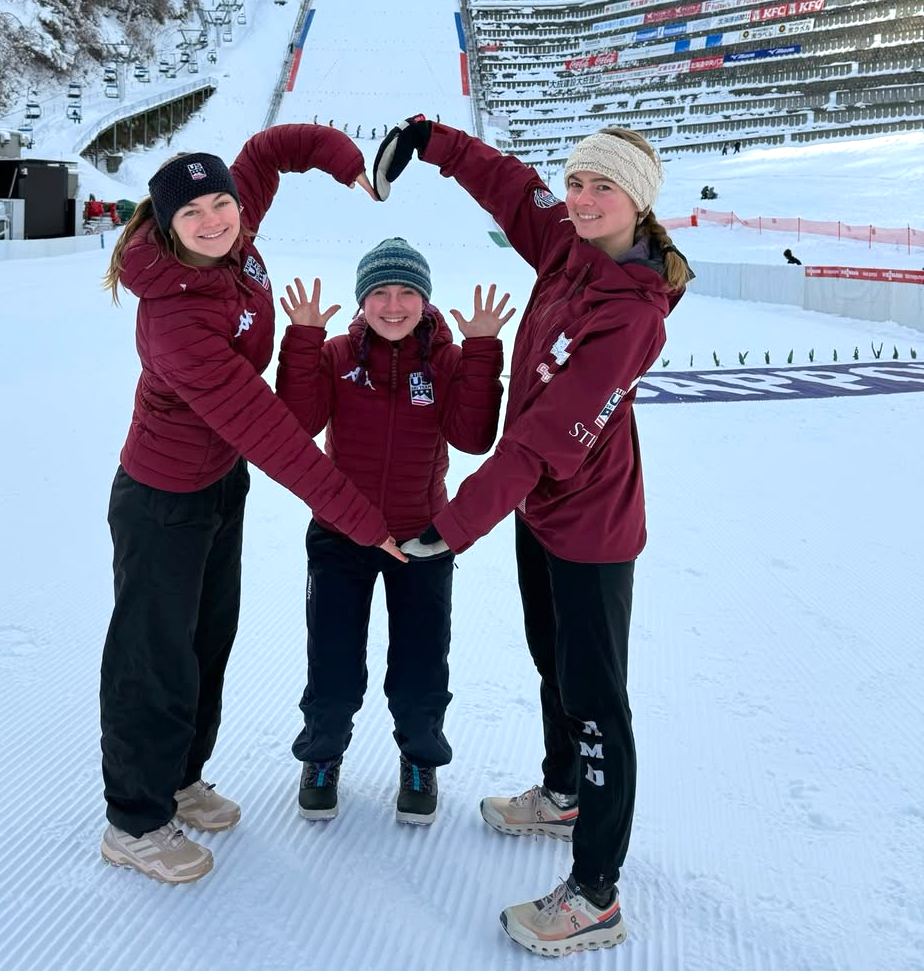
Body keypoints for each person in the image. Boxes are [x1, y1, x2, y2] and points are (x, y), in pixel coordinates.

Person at [372, 116, 692, 957]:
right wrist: (432, 142)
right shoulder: (566, 244)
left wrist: (454, 525)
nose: (580, 200)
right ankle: (563, 794)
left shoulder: (632, 311)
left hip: (591, 527)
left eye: (602, 188)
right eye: (577, 182)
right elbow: (514, 187)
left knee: (596, 701)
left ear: (638, 203)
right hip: (539, 513)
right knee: (553, 662)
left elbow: (548, 438)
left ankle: (595, 895)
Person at [98, 127, 406, 886]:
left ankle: (179, 777)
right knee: (153, 656)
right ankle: (134, 820)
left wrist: (350, 167)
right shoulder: (176, 318)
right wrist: (364, 522)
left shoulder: (234, 235)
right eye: (191, 212)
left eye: (220, 204)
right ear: (166, 225)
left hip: (216, 481)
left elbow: (270, 151)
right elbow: (272, 434)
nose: (213, 220)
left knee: (206, 641)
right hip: (162, 497)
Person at [275, 239, 510, 826]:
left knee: (420, 669)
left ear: (425, 300)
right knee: (332, 664)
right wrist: (302, 340)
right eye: (380, 292)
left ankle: (419, 761)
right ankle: (322, 757)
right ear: (362, 300)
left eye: (407, 292)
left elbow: (474, 438)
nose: (394, 305)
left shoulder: (447, 362)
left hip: (422, 540)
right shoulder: (336, 355)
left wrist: (482, 352)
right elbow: (297, 425)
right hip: (341, 537)